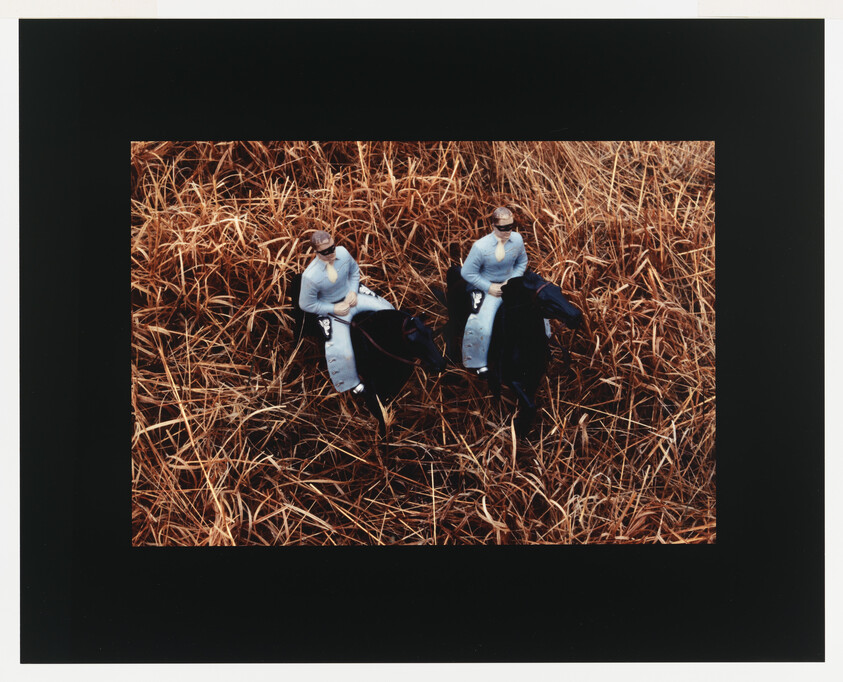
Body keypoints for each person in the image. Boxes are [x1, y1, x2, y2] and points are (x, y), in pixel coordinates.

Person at [298, 229, 394, 394]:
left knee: (388, 310)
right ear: (316, 252)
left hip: (352, 296)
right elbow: (306, 304)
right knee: (343, 351)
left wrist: (352, 291)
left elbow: (354, 271)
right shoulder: (310, 276)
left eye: (332, 248)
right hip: (333, 309)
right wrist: (333, 308)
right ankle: (352, 383)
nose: (331, 254)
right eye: (325, 252)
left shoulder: (342, 252)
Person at [460, 207, 528, 375]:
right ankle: (478, 361)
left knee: (537, 307)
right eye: (502, 228)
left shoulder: (517, 239)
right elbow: (467, 272)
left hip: (511, 282)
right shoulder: (480, 247)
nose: (507, 232)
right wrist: (489, 287)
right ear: (493, 226)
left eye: (510, 227)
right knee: (483, 324)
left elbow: (522, 261)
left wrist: (512, 280)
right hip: (489, 286)